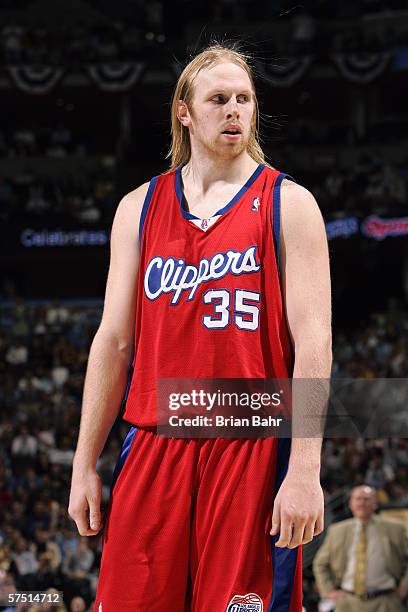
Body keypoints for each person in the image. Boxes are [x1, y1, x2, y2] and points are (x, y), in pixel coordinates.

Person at [68, 43, 332, 611]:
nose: (234, 109)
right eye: (219, 99)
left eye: (244, 99)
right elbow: (113, 342)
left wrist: (306, 470)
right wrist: (84, 462)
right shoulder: (138, 207)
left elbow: (315, 345)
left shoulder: (291, 204)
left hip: (251, 444)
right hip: (154, 439)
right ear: (184, 112)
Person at [313, 485, 408, 611]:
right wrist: (327, 591)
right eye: (358, 499)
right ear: (351, 503)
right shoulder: (337, 530)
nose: (362, 503)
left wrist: (403, 588)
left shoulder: (395, 528)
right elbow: (320, 563)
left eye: (366, 499)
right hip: (347, 603)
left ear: (375, 503)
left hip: (385, 602)